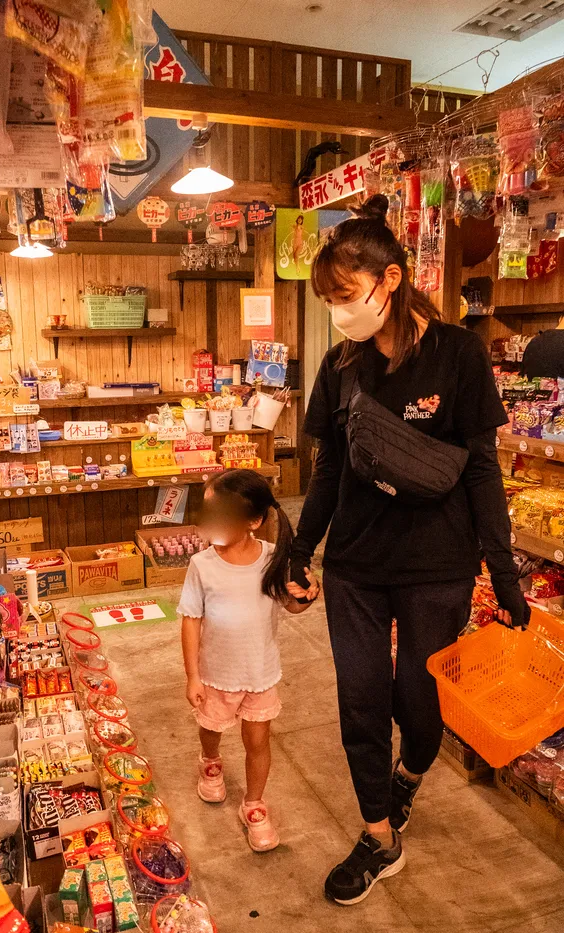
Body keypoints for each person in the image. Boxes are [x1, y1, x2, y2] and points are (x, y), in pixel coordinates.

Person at [289, 194, 530, 905]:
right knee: (360, 699)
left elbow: (482, 467)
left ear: (390, 279)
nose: (338, 310)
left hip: (438, 564)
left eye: (345, 294)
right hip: (357, 565)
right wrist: (301, 549)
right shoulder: (340, 365)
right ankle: (378, 836)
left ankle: (408, 777)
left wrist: (506, 575)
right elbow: (329, 469)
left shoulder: (457, 354)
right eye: (329, 299)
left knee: (420, 705)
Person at [178, 469, 318, 852]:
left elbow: (291, 605)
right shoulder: (202, 564)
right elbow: (191, 620)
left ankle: (254, 804)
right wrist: (193, 676)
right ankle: (210, 760)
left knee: (258, 741)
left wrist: (308, 595)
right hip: (215, 674)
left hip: (260, 673)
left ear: (254, 521)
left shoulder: (275, 559)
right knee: (211, 726)